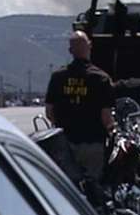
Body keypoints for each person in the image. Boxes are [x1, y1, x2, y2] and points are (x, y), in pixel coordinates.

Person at [45, 31, 116, 180]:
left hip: (65, 143)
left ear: (70, 51)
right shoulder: (101, 78)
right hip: (92, 143)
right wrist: (113, 131)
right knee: (93, 187)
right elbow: (106, 117)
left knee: (67, 187)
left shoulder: (57, 77)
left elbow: (50, 112)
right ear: (90, 46)